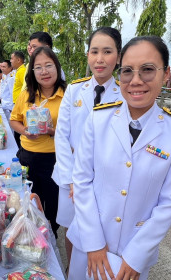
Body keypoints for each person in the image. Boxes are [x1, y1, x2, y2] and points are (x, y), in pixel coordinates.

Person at [67, 36, 171, 280]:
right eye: (127, 71)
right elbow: (81, 180)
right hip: (88, 242)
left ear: (166, 73)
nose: (136, 81)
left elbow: (170, 201)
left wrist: (137, 255)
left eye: (147, 70)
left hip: (133, 254)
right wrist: (93, 243)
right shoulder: (99, 119)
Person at [52, 26, 123, 269]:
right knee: (72, 229)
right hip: (71, 176)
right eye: (94, 52)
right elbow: (62, 135)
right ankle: (74, 270)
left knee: (98, 231)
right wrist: (72, 179)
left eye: (107, 51)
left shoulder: (124, 95)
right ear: (88, 55)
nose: (100, 59)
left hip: (104, 179)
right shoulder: (74, 90)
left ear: (119, 56)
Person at [10, 47, 66, 236]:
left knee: (53, 202)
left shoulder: (68, 95)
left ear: (57, 68)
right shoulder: (26, 94)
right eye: (38, 67)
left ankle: (50, 234)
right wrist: (25, 130)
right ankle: (30, 233)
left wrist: (51, 131)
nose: (44, 71)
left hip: (55, 159)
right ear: (32, 72)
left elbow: (76, 132)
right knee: (29, 198)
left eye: (49, 65)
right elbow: (14, 120)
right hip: (28, 157)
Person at [10, 51, 26, 149]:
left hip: (21, 106)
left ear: (18, 60)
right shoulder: (19, 71)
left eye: (12, 59)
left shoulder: (22, 71)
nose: (11, 61)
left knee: (18, 133)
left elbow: (25, 89)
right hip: (16, 104)